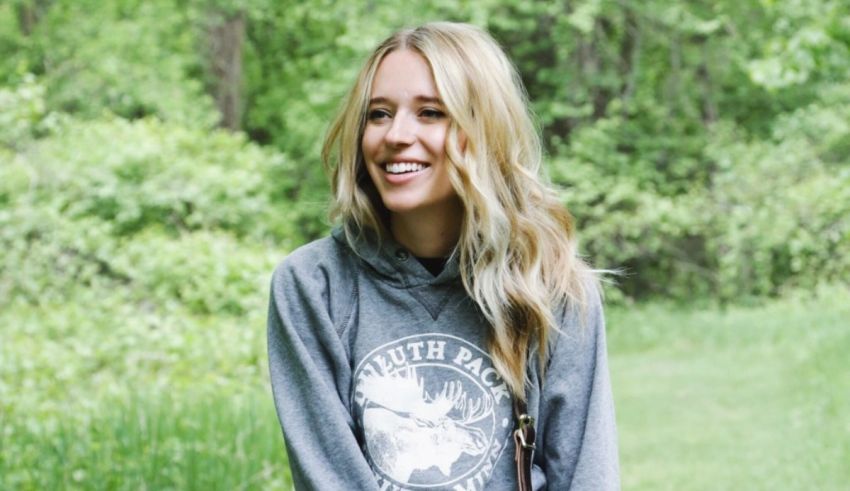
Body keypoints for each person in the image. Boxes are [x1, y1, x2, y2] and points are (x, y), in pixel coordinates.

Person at [267, 22, 619, 490]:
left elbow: (586, 476)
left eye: (431, 112)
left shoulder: (552, 287)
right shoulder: (313, 286)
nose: (396, 134)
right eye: (378, 114)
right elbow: (329, 478)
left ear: (484, 129)